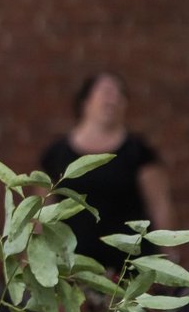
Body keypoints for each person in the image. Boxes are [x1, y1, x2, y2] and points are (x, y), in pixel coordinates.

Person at [39, 72, 175, 272]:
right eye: (106, 91)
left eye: (120, 94)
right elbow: (41, 212)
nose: (114, 98)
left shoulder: (138, 152)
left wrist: (170, 258)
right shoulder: (57, 154)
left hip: (128, 267)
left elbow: (160, 206)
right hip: (70, 268)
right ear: (85, 102)